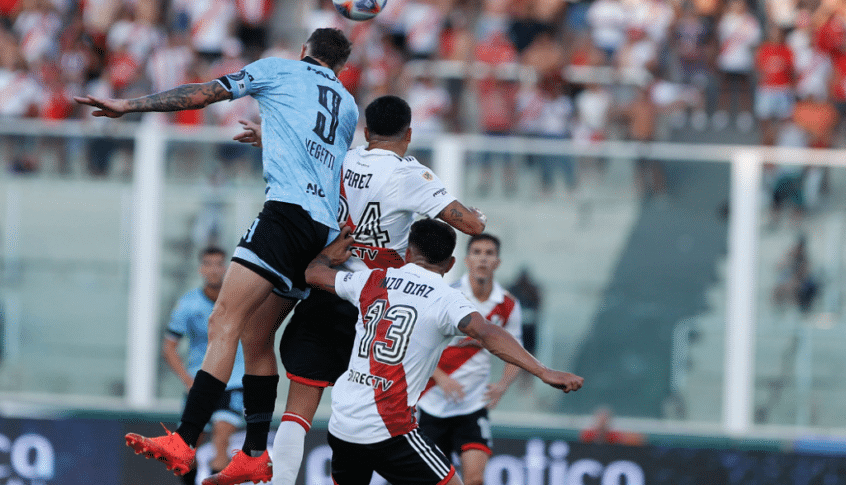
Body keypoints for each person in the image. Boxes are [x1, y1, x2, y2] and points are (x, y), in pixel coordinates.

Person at [75, 27, 358, 478]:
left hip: (285, 216)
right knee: (256, 335)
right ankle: (253, 454)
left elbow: (201, 95)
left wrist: (129, 106)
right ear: (341, 67)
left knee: (222, 321)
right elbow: (327, 159)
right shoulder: (346, 103)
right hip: (321, 228)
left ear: (303, 50)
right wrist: (275, 138)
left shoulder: (279, 70)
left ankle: (185, 439)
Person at [228, 95, 488, 485]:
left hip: (328, 285)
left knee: (297, 410)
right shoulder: (409, 175)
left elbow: (302, 152)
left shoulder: (341, 159)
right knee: (379, 411)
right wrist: (478, 217)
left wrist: (268, 134)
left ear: (367, 132)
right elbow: (469, 225)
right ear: (409, 135)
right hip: (377, 306)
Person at [304, 219, 583, 485]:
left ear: (409, 253)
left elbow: (313, 274)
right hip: (389, 427)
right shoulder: (445, 298)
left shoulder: (371, 279)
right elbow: (487, 333)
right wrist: (543, 371)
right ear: (450, 264)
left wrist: (327, 254)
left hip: (343, 424)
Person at [417, 234, 522, 485]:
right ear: (466, 260)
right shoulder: (447, 295)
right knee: (430, 480)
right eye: (477, 252)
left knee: (475, 479)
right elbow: (417, 347)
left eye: (489, 253)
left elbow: (516, 353)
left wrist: (503, 385)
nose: (483, 259)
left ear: (497, 261)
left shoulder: (507, 305)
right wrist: (441, 378)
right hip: (433, 403)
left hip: (473, 406)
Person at [163, 247, 247, 485]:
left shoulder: (239, 301)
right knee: (186, 450)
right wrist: (188, 381)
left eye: (219, 264)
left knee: (222, 442)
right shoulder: (188, 304)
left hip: (233, 382)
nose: (214, 270)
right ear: (201, 269)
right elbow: (169, 346)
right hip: (199, 382)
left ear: (227, 268)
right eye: (208, 264)